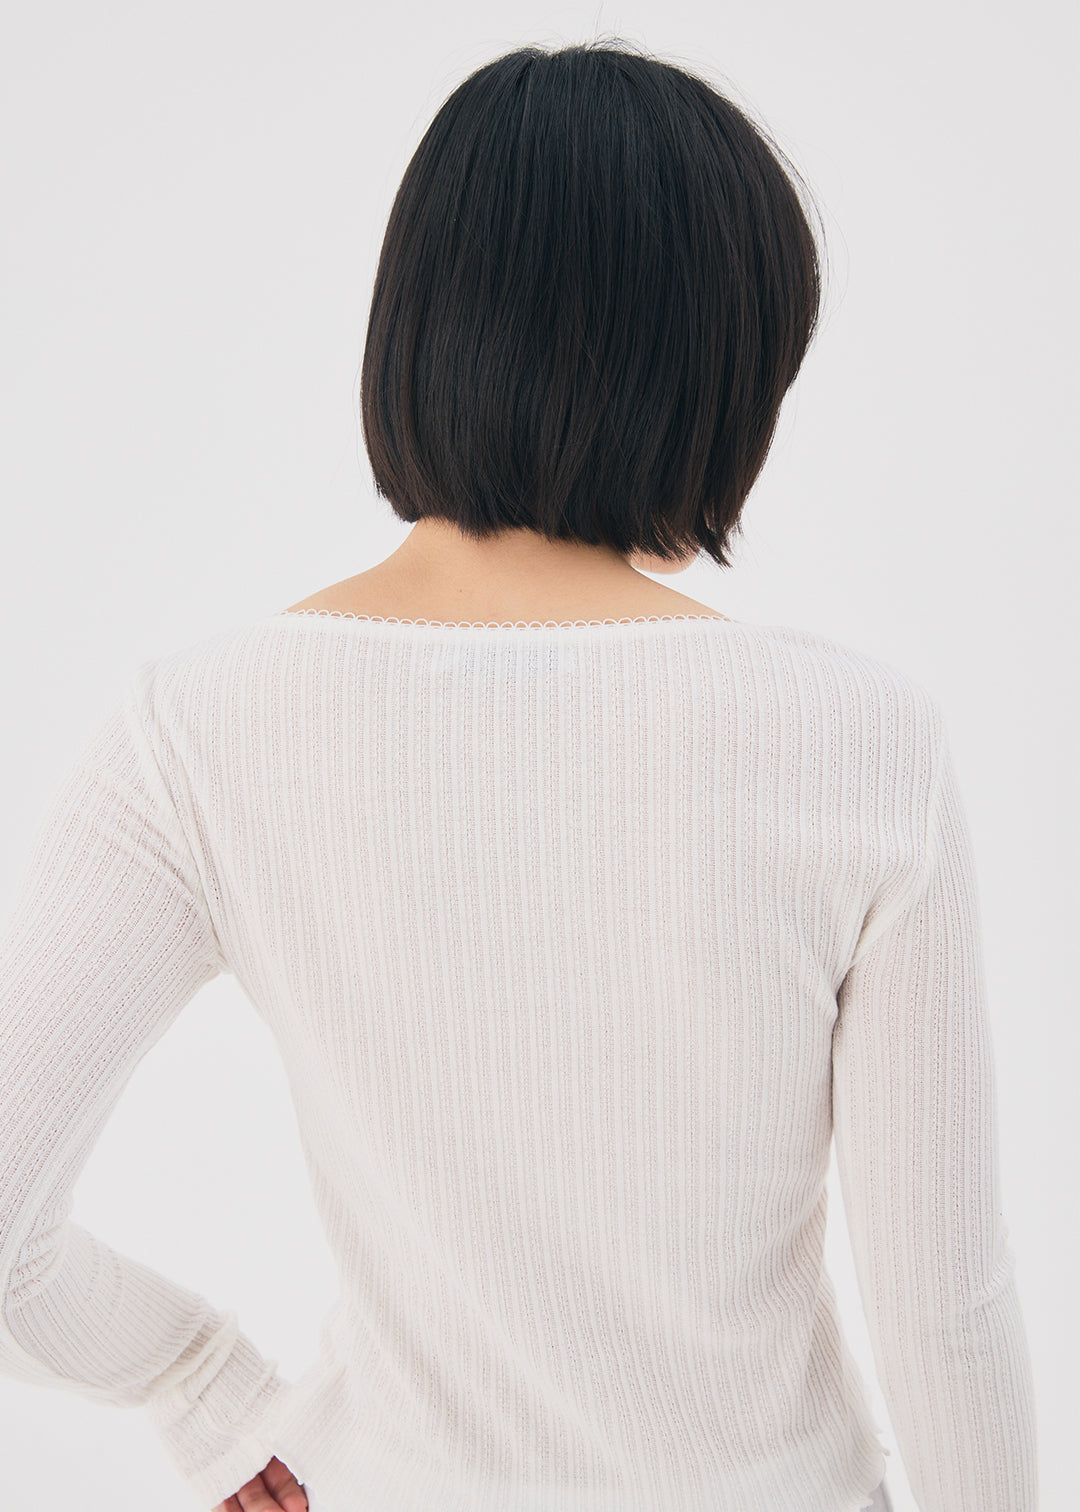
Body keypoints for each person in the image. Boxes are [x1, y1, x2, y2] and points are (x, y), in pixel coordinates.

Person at [0, 38, 1036, 1512]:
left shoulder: (197, 730)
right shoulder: (857, 741)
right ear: (716, 378)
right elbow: (948, 1313)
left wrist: (198, 1387)